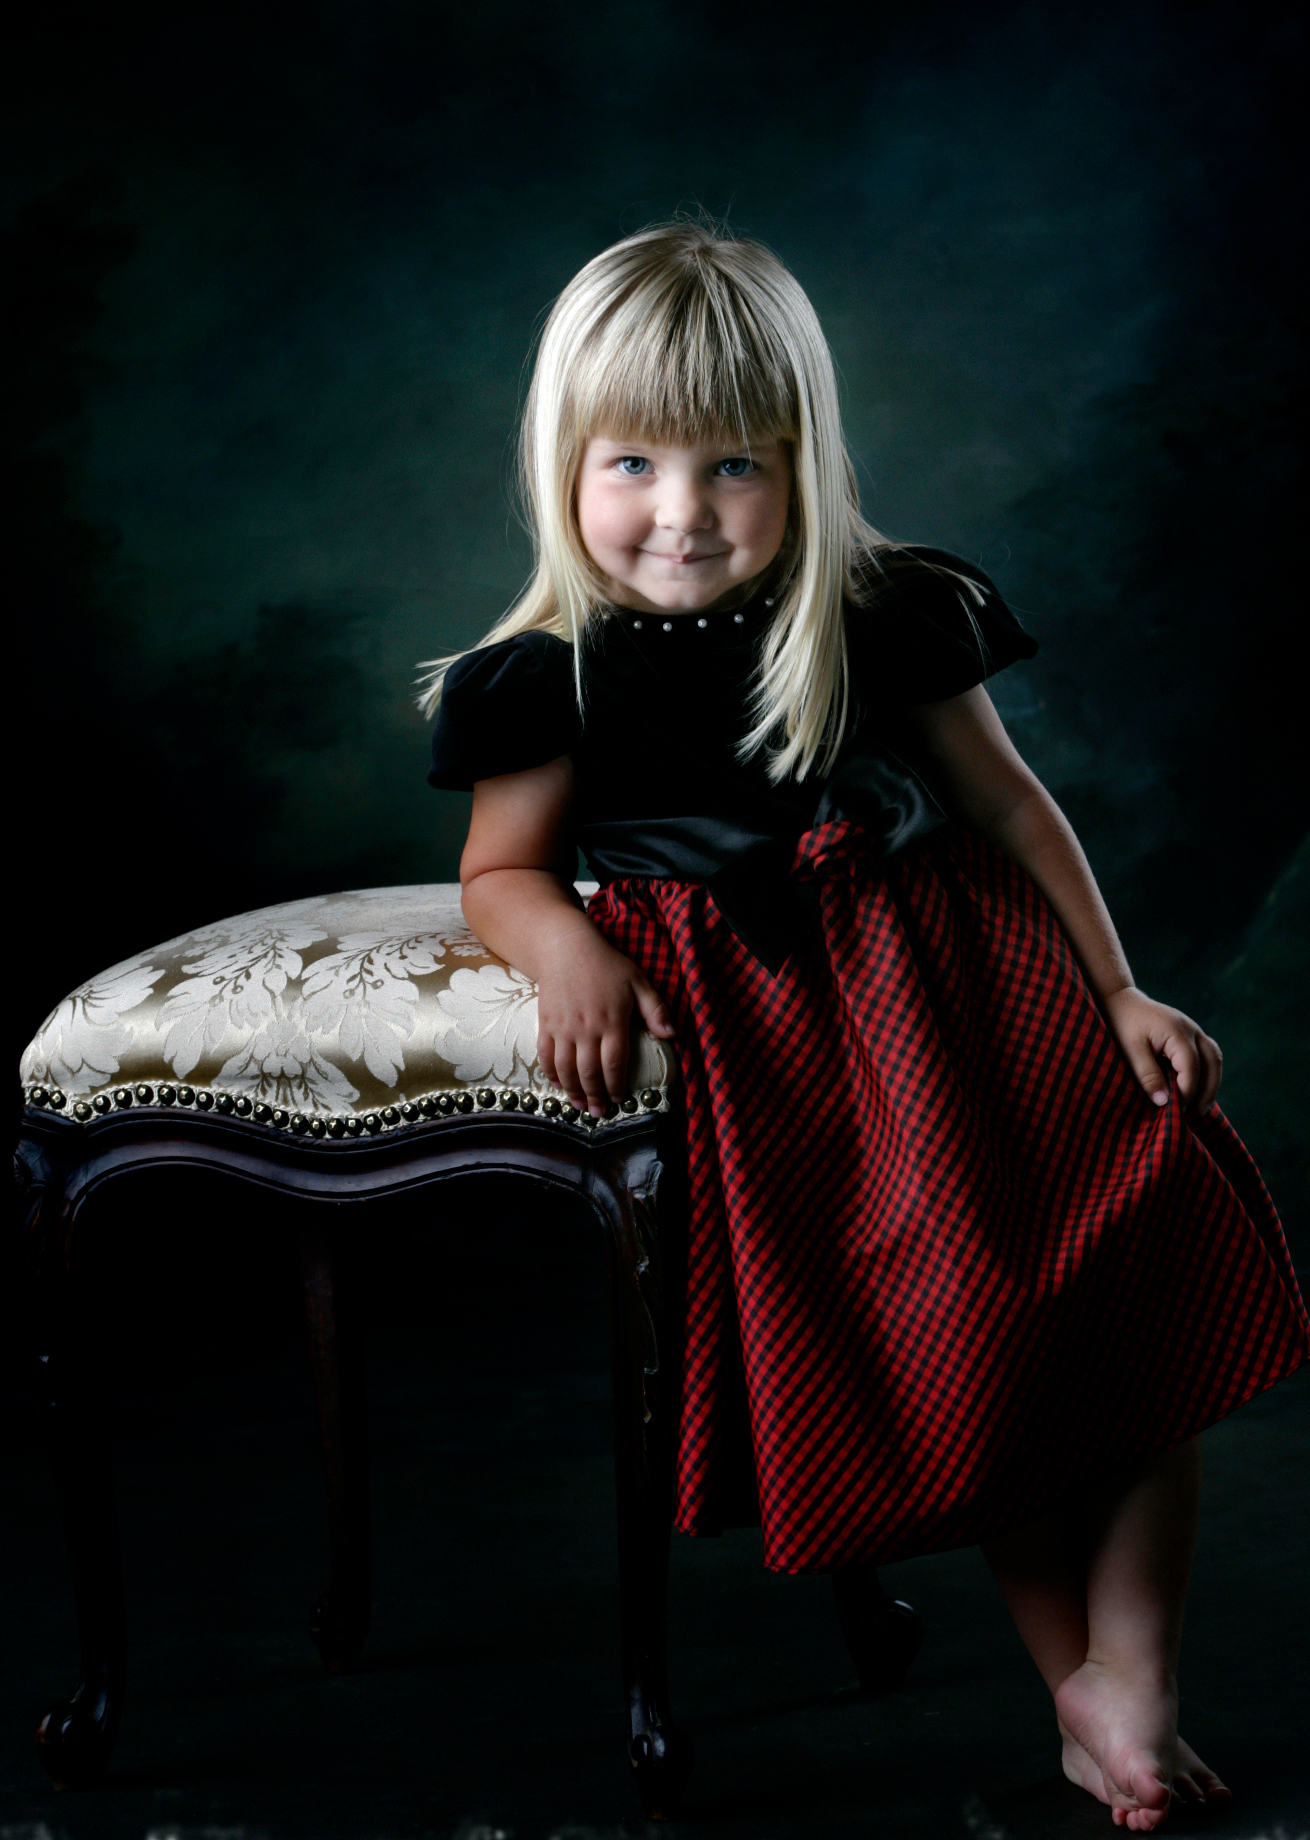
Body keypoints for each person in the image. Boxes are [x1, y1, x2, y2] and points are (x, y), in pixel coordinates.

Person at [422, 222, 1308, 1831]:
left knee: (1136, 1271)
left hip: (976, 1002)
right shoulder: (542, 679)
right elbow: (501, 869)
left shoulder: (885, 610)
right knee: (965, 1350)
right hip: (799, 1071)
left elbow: (1011, 807)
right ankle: (1077, 1686)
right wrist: (564, 952)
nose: (683, 512)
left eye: (734, 466)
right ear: (564, 462)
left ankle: (1133, 1668)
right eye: (632, 463)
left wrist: (1115, 989)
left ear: (801, 462)